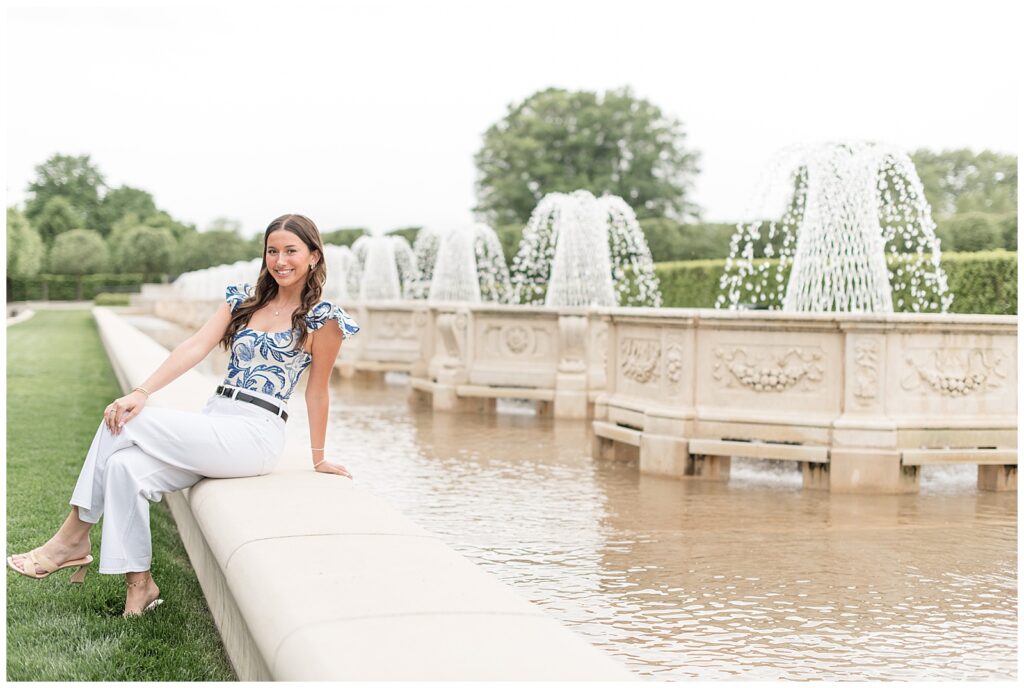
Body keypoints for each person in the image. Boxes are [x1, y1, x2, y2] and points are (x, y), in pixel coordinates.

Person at [7, 213, 360, 617]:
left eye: (291, 251)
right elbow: (194, 346)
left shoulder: (323, 318)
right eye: (272, 251)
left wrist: (318, 457)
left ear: (314, 256)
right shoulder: (244, 301)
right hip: (215, 420)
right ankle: (140, 586)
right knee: (124, 466)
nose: (281, 260)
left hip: (255, 435)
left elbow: (317, 392)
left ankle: (72, 539)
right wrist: (143, 391)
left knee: (127, 419)